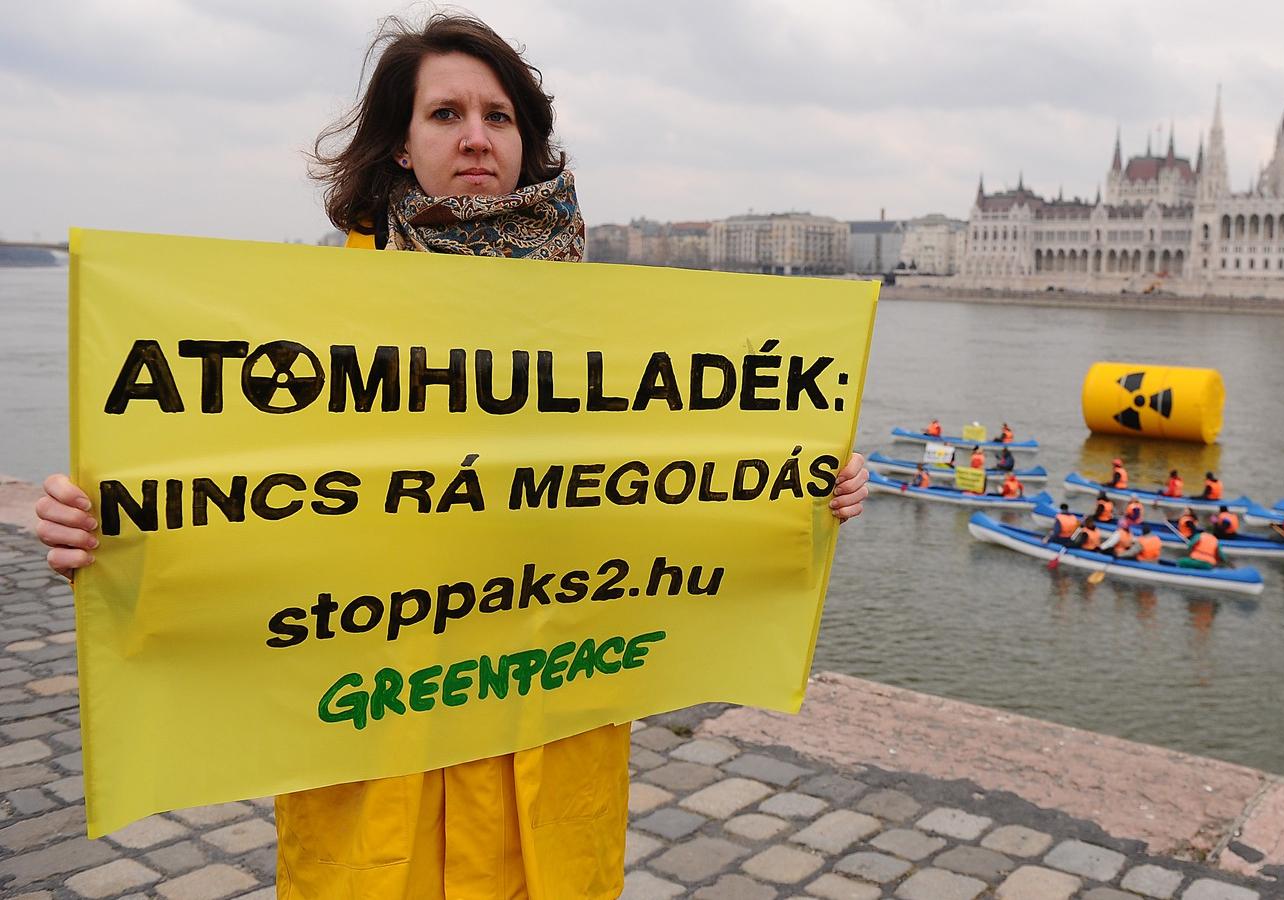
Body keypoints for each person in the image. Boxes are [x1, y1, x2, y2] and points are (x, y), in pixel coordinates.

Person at [32, 15, 872, 900]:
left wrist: (804, 485)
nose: (476, 137)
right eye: (445, 114)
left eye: (498, 116)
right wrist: (103, 530)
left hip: (545, 752)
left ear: (527, 140)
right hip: (375, 763)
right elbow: (221, 502)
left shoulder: (609, 331)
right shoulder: (307, 327)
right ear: (400, 144)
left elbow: (689, 481)